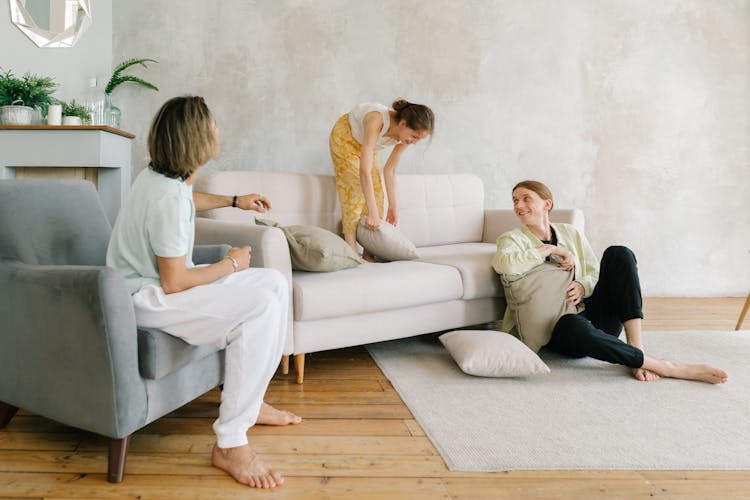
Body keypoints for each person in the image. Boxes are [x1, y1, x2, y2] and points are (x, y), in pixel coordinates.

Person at [106, 96, 301, 489]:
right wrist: (231, 264)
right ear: (198, 138)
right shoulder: (166, 198)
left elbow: (186, 200)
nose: (218, 128)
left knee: (276, 283)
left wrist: (233, 201)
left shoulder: (161, 179)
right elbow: (174, 282)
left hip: (155, 286)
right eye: (213, 123)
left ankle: (251, 401)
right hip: (144, 298)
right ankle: (230, 443)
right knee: (261, 303)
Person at [492, 180, 728, 384]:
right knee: (572, 325)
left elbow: (594, 272)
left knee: (619, 253)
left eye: (526, 199)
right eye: (515, 201)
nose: (519, 206)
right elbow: (504, 265)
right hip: (560, 329)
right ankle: (665, 366)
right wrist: (550, 251)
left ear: (547, 204)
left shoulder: (571, 232)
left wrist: (583, 285)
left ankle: (636, 347)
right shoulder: (510, 239)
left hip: (595, 316)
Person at [329, 99, 435, 256]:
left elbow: (390, 170)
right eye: (414, 137)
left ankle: (369, 253)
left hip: (368, 145)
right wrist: (370, 212)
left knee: (378, 195)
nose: (414, 143)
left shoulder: (404, 137)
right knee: (354, 187)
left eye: (419, 140)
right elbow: (364, 172)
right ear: (403, 124)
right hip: (346, 138)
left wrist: (393, 206)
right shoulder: (376, 119)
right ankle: (350, 249)